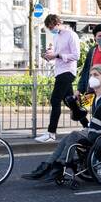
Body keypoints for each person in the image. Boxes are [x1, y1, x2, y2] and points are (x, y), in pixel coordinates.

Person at [22, 65, 101, 182]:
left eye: (95, 75)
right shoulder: (92, 96)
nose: (91, 78)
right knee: (66, 138)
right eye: (91, 75)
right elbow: (76, 116)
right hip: (92, 132)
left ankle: (59, 166)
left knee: (73, 134)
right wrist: (73, 106)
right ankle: (46, 166)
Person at [37, 14, 79, 143]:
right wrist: (50, 55)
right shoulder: (56, 37)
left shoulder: (71, 35)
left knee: (55, 100)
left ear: (57, 23)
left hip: (68, 71)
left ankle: (51, 133)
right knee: (69, 101)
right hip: (60, 71)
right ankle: (87, 125)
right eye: (49, 28)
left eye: (51, 27)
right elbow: (57, 54)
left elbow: (76, 55)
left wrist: (57, 55)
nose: (51, 30)